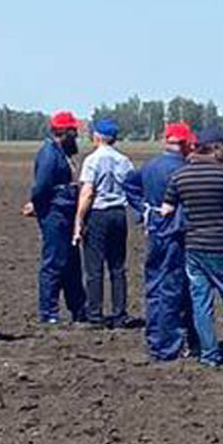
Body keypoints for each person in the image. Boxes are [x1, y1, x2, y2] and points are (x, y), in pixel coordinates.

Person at [160, 126, 223, 366]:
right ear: (215, 148)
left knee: (201, 304)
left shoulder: (180, 176)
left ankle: (209, 354)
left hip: (194, 248)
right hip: (222, 247)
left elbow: (166, 210)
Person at [127, 122, 200, 361]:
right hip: (175, 233)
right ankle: (169, 345)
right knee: (173, 287)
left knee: (154, 285)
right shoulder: (184, 170)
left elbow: (129, 185)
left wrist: (145, 211)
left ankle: (156, 338)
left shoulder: (149, 166)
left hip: (155, 230)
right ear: (185, 144)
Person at [22, 111, 87, 325]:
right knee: (54, 262)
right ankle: (48, 312)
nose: (76, 135)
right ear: (63, 131)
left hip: (66, 212)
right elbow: (41, 186)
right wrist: (38, 206)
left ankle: (78, 308)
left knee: (72, 263)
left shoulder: (63, 152)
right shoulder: (49, 153)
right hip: (55, 213)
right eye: (73, 131)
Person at [73, 118, 136, 328]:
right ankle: (120, 314)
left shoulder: (92, 160)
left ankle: (95, 314)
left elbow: (87, 192)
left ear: (97, 136)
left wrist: (79, 221)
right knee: (118, 267)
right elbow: (133, 188)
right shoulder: (124, 161)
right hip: (119, 214)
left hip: (98, 214)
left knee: (94, 267)